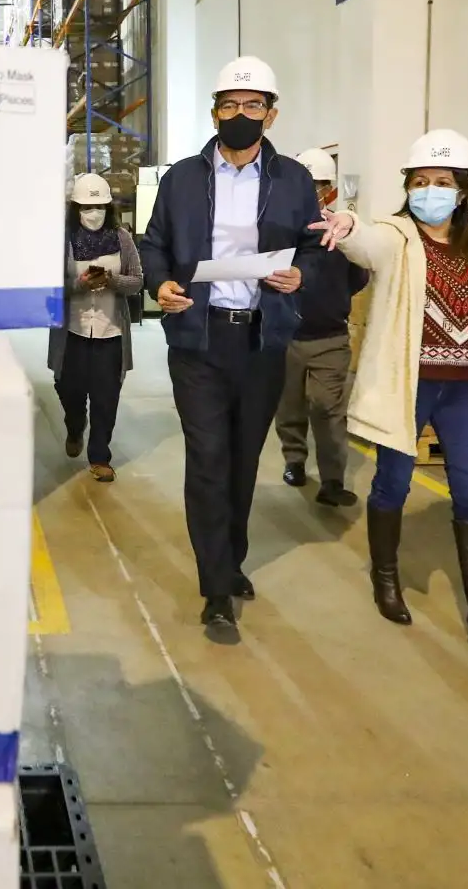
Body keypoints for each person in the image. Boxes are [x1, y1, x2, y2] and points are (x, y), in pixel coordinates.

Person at [312, 128, 468, 666]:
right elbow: (367, 243)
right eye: (421, 181)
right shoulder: (398, 236)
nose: (431, 190)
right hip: (410, 385)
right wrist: (348, 226)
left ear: (463, 188)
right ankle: (386, 580)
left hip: (465, 390)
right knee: (394, 482)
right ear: (407, 186)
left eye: (443, 181)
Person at [139, 56, 325, 645]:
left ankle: (231, 559)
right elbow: (154, 243)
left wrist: (302, 274)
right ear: (214, 111)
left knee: (244, 460)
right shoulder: (182, 179)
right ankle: (216, 588)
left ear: (271, 114)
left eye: (252, 105)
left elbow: (314, 249)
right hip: (199, 337)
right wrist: (159, 283)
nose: (240, 114)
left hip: (262, 339)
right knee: (208, 458)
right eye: (229, 104)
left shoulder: (293, 181)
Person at [275, 148, 369, 509]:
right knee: (289, 405)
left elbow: (359, 277)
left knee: (328, 408)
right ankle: (294, 461)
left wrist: (330, 299)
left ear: (329, 190)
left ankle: (332, 480)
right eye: (304, 183)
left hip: (329, 337)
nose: (311, 191)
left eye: (317, 185)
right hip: (286, 336)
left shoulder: (343, 234)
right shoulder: (277, 230)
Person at [49, 173, 143, 483]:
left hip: (110, 334)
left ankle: (100, 456)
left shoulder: (122, 239)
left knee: (106, 397)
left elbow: (137, 281)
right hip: (72, 334)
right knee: (69, 390)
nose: (94, 213)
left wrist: (112, 280)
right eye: (87, 207)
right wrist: (79, 284)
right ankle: (75, 426)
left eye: (100, 207)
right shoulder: (62, 240)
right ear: (75, 208)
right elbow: (50, 287)